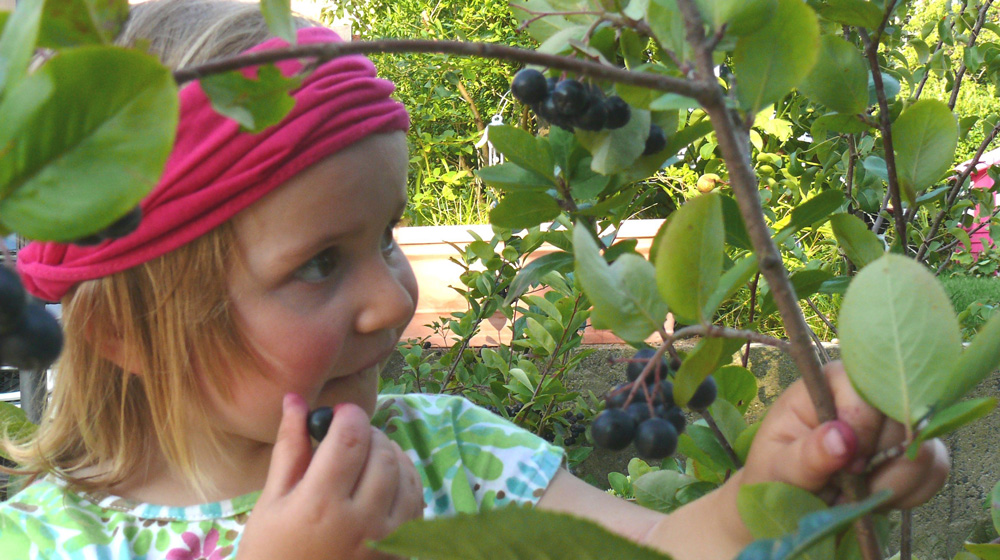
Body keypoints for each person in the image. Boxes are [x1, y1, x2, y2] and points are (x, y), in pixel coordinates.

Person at [0, 1, 949, 558]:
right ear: (120, 332)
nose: (391, 298)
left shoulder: (451, 455)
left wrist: (779, 485)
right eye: (319, 264)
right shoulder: (46, 540)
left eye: (386, 238)